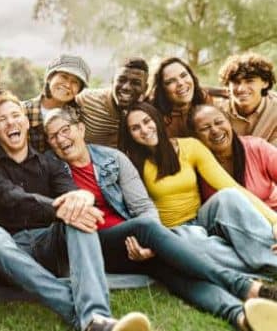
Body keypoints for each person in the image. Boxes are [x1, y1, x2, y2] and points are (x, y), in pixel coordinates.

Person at [44, 107, 277, 331]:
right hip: (94, 244)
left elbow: (143, 206)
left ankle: (239, 315)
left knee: (174, 273)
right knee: (145, 227)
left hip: (134, 241)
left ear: (81, 129)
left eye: (65, 130)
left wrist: (148, 245)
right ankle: (244, 285)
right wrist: (148, 235)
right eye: (52, 136)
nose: (60, 139)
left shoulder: (113, 158)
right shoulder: (51, 167)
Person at [0, 91, 152, 331]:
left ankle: (96, 317)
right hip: (10, 249)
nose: (11, 123)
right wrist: (57, 209)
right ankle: (80, 314)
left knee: (79, 215)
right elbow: (8, 196)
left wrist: (82, 198)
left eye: (15, 116)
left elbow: (72, 193)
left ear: (26, 122)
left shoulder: (51, 163)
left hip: (49, 244)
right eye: (2, 120)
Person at [118, 102, 277, 273]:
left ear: (157, 119)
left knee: (229, 196)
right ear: (130, 135)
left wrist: (275, 222)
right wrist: (154, 242)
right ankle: (258, 266)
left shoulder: (190, 146)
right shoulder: (130, 163)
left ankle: (270, 258)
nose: (144, 129)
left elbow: (231, 186)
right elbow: (136, 209)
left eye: (147, 121)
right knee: (196, 243)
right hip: (172, 232)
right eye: (135, 128)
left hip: (202, 218)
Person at [189, 104, 277, 210]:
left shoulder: (256, 148)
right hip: (228, 223)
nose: (215, 130)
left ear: (229, 123)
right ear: (195, 136)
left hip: (271, 215)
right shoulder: (194, 164)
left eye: (219, 122)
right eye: (205, 128)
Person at [76, 57, 149, 148]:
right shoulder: (86, 99)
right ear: (112, 81)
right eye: (121, 80)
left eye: (136, 83)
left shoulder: (146, 113)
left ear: (145, 88)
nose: (126, 87)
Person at [23, 54, 89, 153]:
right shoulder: (23, 111)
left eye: (75, 82)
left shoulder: (79, 116)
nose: (67, 85)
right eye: (64, 76)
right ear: (49, 78)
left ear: (79, 90)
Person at [214, 53, 277, 146]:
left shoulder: (274, 111)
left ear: (265, 83)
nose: (241, 89)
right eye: (236, 82)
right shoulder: (216, 110)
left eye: (249, 81)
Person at [150, 57, 212, 138]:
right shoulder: (153, 118)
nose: (180, 83)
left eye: (184, 75)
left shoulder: (207, 103)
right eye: (171, 81)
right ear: (162, 89)